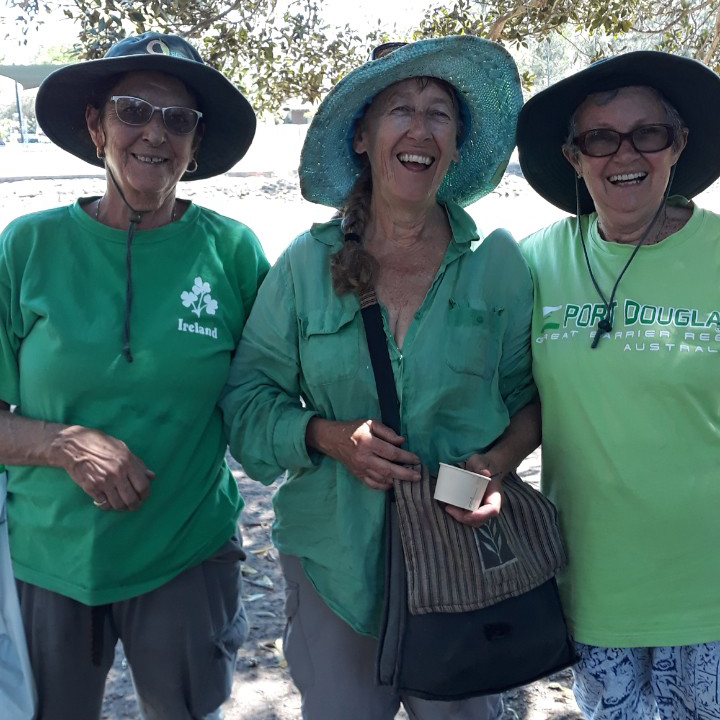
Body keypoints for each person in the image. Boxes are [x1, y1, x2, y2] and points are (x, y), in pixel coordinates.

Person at [220, 36, 540, 720]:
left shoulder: (500, 265)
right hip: (335, 557)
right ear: (363, 137)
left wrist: (494, 466)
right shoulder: (306, 266)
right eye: (400, 109)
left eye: (440, 113)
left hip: (461, 556)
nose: (421, 128)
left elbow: (531, 403)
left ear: (456, 145)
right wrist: (330, 436)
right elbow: (246, 404)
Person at [0, 32, 269, 720]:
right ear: (96, 126)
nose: (155, 133)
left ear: (196, 142)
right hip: (48, 558)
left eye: (178, 118)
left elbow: (275, 389)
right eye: (131, 111)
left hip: (185, 553)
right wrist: (60, 442)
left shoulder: (233, 253)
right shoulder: (26, 248)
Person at [516, 52, 720, 719]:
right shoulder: (535, 262)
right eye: (600, 138)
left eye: (647, 133)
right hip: (594, 592)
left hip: (710, 594)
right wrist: (462, 482)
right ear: (574, 157)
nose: (623, 154)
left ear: (679, 144)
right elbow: (513, 403)